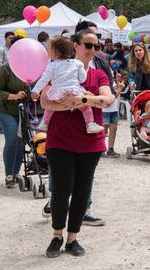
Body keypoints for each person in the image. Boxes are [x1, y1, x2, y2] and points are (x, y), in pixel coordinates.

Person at [41, 29, 115, 258]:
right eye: (88, 45)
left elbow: (107, 99)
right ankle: (56, 236)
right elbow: (45, 102)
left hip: (90, 142)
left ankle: (73, 238)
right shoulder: (56, 70)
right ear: (75, 45)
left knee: (82, 191)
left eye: (97, 46)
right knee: (61, 191)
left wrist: (81, 99)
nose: (93, 50)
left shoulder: (99, 75)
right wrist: (69, 104)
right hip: (60, 139)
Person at [30, 36, 104, 134]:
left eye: (49, 49)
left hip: (57, 94)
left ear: (56, 52)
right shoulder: (77, 63)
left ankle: (45, 122)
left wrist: (35, 90)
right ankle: (90, 124)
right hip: (74, 92)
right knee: (85, 107)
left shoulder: (51, 66)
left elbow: (44, 79)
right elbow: (82, 79)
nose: (47, 51)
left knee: (50, 108)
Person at [0, 60, 28, 187]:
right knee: (12, 138)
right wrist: (13, 96)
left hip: (24, 111)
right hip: (6, 110)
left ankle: (15, 173)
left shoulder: (33, 67)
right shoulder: (6, 69)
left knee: (20, 141)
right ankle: (9, 174)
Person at [102, 70, 126, 158]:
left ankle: (110, 149)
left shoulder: (114, 84)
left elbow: (119, 86)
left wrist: (118, 80)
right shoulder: (103, 85)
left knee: (113, 129)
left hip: (113, 110)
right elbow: (112, 96)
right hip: (104, 110)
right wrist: (119, 89)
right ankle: (101, 149)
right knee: (103, 130)